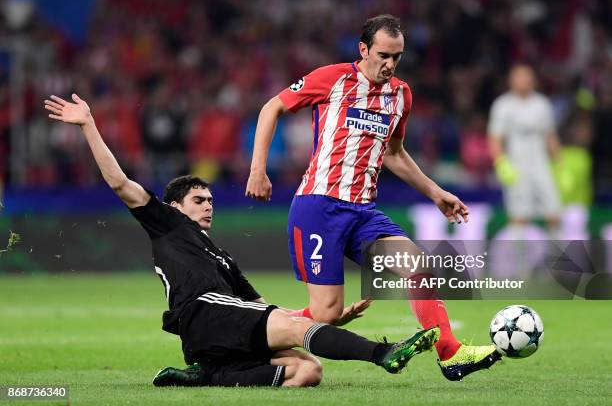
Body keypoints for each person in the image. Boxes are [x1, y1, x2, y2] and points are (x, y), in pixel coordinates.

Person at [44, 93, 440, 388]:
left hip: (220, 333)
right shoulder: (166, 224)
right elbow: (119, 182)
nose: (208, 207)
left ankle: (209, 376)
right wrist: (88, 125)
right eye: (198, 201)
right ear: (175, 206)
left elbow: (259, 308)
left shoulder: (222, 257)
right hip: (202, 316)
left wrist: (326, 316)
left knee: (308, 371)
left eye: (211, 201)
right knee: (295, 334)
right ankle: (382, 353)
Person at [245, 14, 500, 381]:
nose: (390, 64)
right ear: (363, 49)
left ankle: (450, 353)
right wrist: (258, 169)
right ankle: (249, 331)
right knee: (326, 315)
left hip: (363, 212)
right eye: (383, 55)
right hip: (319, 207)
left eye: (397, 57)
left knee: (419, 267)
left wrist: (435, 192)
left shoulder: (401, 95)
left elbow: (394, 153)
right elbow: (273, 107)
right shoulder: (331, 78)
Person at [488, 64, 562, 236]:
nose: (523, 81)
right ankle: (520, 261)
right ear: (511, 81)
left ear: (533, 80)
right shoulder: (503, 105)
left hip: (542, 167)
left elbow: (550, 136)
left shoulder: (542, 104)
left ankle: (557, 259)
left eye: (527, 77)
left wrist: (560, 164)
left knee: (554, 213)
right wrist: (501, 163)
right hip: (516, 168)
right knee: (519, 217)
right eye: (519, 77)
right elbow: (495, 138)